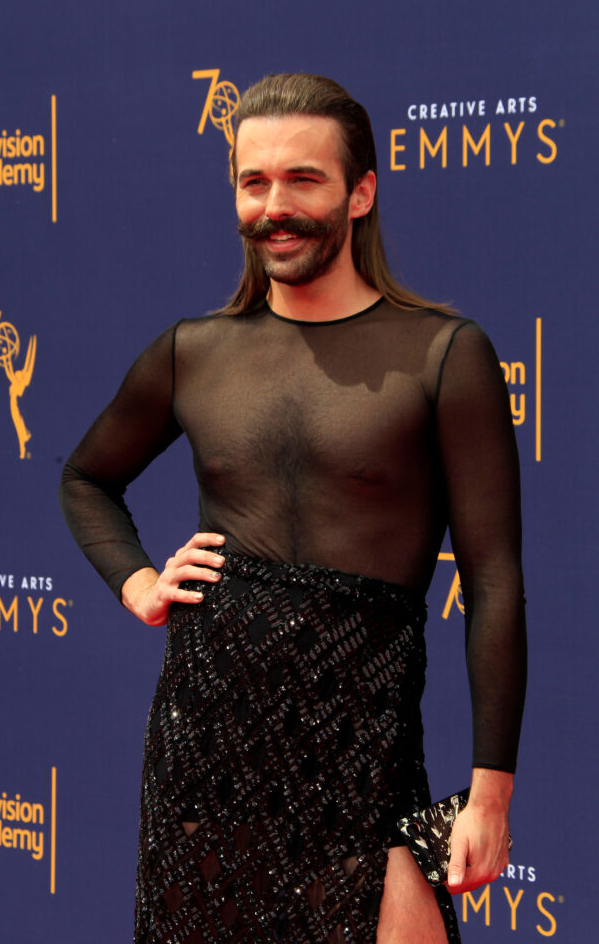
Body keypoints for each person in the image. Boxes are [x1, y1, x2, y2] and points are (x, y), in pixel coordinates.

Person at [60, 73, 526, 944]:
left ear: (360, 191)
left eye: (302, 179)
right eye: (253, 181)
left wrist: (490, 788)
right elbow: (85, 478)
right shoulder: (191, 352)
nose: (275, 205)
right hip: (205, 763)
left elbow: (494, 578)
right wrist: (137, 581)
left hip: (367, 759)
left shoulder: (443, 354)